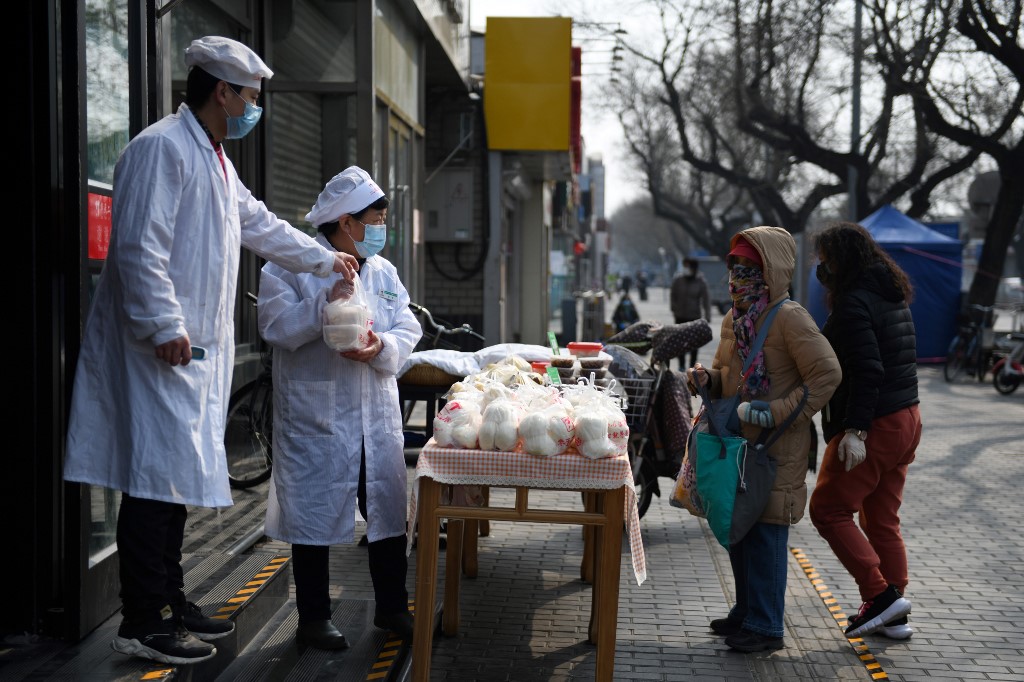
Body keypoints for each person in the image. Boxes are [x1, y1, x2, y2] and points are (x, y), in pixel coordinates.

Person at [62, 36, 360, 666]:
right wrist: (163, 322)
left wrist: (323, 257)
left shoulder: (216, 160)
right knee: (152, 483)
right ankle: (141, 621)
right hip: (162, 349)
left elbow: (259, 223)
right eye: (251, 97)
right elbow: (140, 245)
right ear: (222, 92)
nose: (256, 108)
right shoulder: (160, 149)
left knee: (173, 483)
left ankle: (169, 600)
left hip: (193, 355)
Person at [258, 166, 422, 649]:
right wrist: (322, 308)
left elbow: (407, 326)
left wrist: (383, 348)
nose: (381, 226)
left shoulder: (383, 271)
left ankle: (392, 609)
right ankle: (312, 617)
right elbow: (274, 327)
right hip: (319, 417)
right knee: (313, 512)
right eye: (376, 217)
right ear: (347, 222)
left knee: (387, 513)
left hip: (375, 416)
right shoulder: (287, 268)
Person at [686, 226, 840, 653]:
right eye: (735, 266)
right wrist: (707, 379)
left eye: (749, 267)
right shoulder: (734, 318)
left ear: (771, 270)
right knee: (739, 530)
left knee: (768, 535)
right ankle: (746, 612)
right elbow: (727, 378)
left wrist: (772, 412)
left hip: (775, 448)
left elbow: (827, 375)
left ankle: (767, 627)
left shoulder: (791, 317)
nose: (738, 276)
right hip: (738, 447)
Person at [808, 222, 921, 640]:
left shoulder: (855, 302)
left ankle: (879, 596)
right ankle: (896, 609)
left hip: (874, 422)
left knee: (828, 509)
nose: (822, 268)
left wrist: (855, 430)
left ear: (844, 261)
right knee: (882, 519)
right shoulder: (892, 295)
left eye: (826, 260)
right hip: (907, 418)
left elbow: (869, 370)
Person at [670, 257, 712, 369]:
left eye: (688, 267)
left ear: (694, 268)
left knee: (694, 343)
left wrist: (707, 316)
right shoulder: (678, 280)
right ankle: (681, 365)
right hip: (680, 316)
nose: (686, 269)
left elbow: (706, 300)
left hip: (694, 316)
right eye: (685, 267)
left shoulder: (700, 281)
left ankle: (692, 365)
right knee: (679, 341)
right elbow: (673, 295)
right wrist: (674, 309)